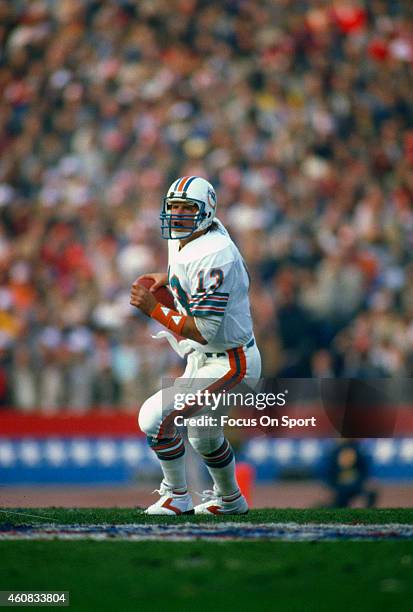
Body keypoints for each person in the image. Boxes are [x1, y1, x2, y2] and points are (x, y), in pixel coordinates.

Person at [130, 176, 261, 515]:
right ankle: (231, 500)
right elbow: (188, 275)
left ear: (206, 212)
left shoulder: (215, 254)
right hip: (209, 357)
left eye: (188, 208)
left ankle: (176, 495)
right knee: (203, 435)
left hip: (230, 362)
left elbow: (203, 330)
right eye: (173, 207)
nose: (178, 215)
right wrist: (168, 279)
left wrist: (154, 309)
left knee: (153, 417)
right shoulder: (193, 238)